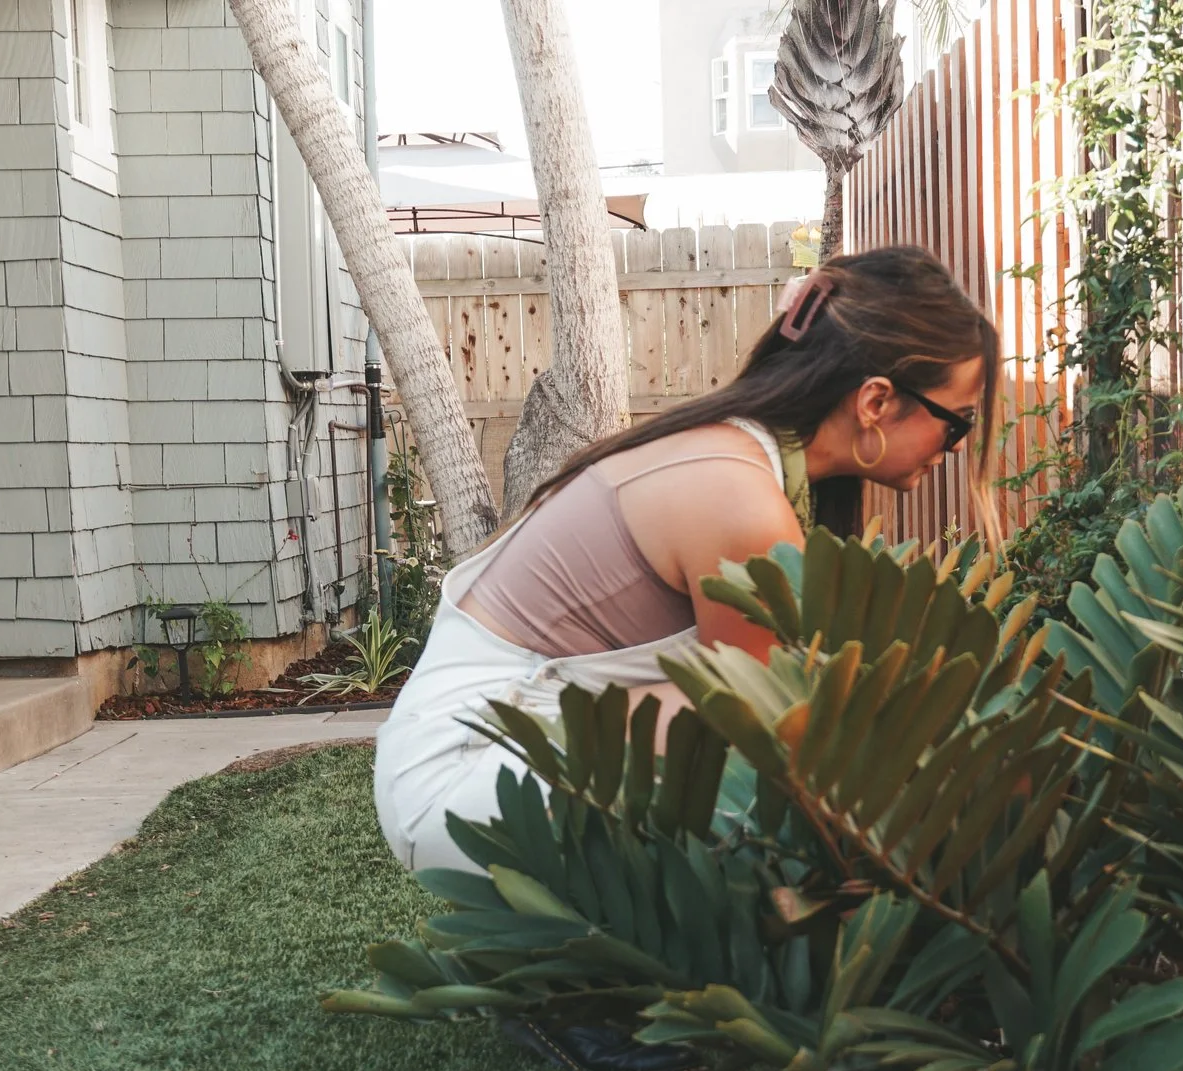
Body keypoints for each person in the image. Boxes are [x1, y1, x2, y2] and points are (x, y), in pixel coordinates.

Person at [374, 244, 998, 877]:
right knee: (779, 708)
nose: (954, 448)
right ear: (875, 402)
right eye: (958, 423)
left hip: (503, 744)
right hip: (470, 772)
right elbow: (770, 728)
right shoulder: (740, 501)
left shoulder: (744, 454)